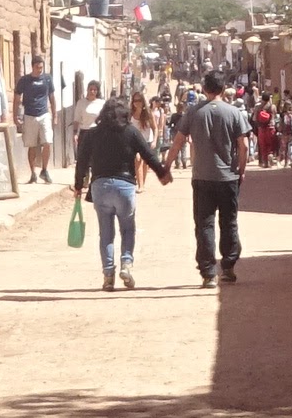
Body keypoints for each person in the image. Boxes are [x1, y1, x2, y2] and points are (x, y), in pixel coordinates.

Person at [75, 87, 171, 289]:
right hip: (125, 186)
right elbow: (148, 155)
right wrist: (162, 173)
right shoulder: (131, 132)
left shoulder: (92, 134)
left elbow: (81, 162)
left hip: (100, 186)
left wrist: (78, 186)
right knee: (127, 229)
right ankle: (126, 263)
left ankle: (108, 274)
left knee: (105, 233)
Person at [180, 71, 253, 287]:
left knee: (204, 224)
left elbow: (178, 141)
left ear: (204, 89)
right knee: (228, 222)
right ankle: (228, 267)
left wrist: (166, 166)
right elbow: (244, 145)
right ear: (223, 89)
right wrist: (241, 170)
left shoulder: (193, 112)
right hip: (228, 177)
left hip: (202, 177)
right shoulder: (234, 112)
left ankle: (208, 272)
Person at [20, 60, 57, 181]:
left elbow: (52, 97)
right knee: (32, 145)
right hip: (29, 115)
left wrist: (55, 115)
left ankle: (44, 170)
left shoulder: (47, 79)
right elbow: (16, 97)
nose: (40, 70)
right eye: (37, 67)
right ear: (32, 67)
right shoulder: (25, 80)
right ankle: (33, 173)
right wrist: (15, 116)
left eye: (41, 67)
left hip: (44, 114)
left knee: (47, 142)